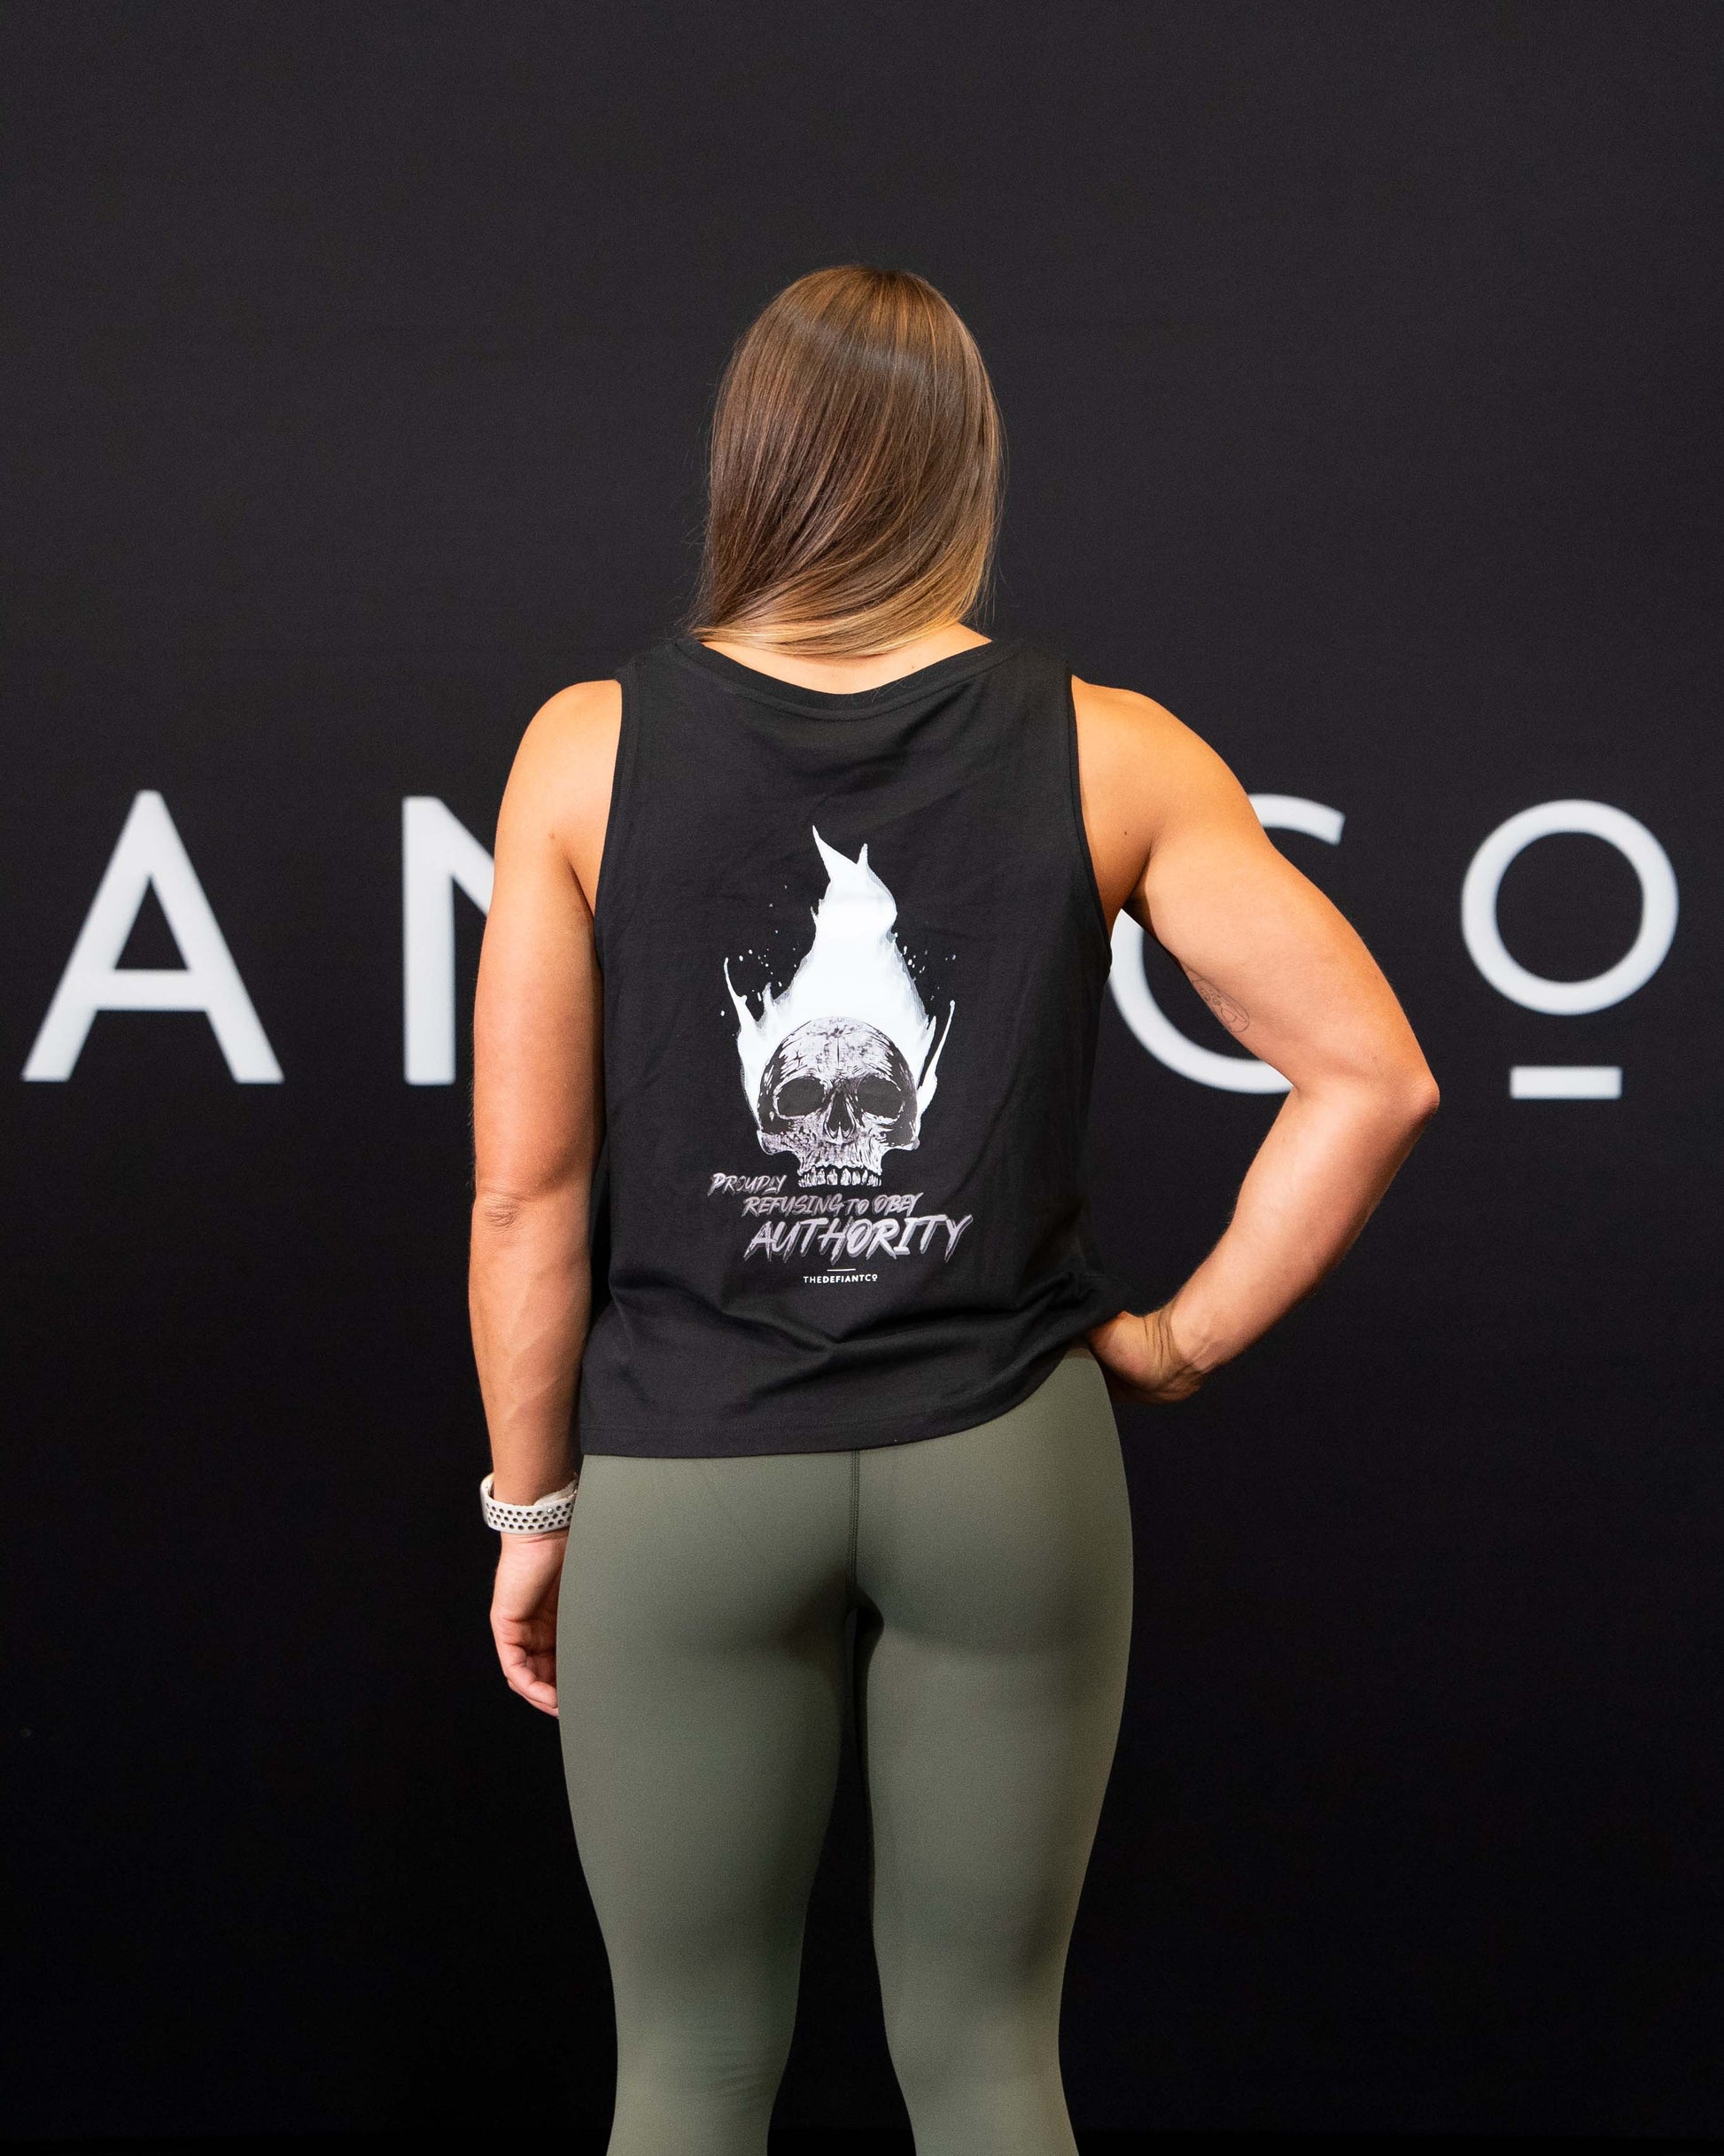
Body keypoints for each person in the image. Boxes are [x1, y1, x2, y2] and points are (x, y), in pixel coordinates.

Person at [468, 265, 1438, 2156]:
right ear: (965, 475)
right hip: (1007, 1447)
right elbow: (1370, 1073)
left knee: (682, 2073)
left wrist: (531, 1507)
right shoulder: (1115, 745)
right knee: (992, 2065)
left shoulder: (583, 748)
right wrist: (1175, 1338)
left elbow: (527, 1194)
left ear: (746, 465)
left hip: (687, 1460)